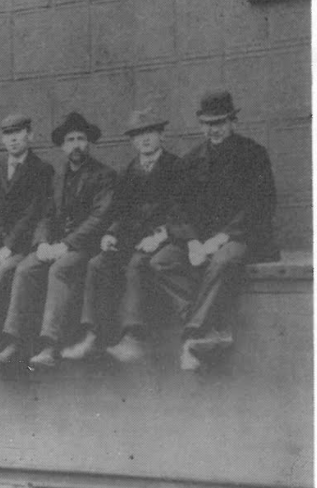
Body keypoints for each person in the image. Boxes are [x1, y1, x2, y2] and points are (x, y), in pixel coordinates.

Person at [150, 90, 278, 371]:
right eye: (208, 123)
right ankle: (214, 325)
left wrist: (220, 239)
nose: (214, 129)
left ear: (233, 121)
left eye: (220, 122)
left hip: (244, 237)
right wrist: (194, 242)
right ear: (200, 125)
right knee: (161, 261)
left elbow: (260, 205)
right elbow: (176, 209)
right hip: (202, 240)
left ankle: (194, 334)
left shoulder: (253, 154)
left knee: (222, 260)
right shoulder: (191, 160)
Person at [0, 112, 116, 367]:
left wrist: (66, 244)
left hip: (86, 247)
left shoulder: (104, 175)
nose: (76, 145)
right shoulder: (57, 177)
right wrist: (44, 243)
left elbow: (99, 219)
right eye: (70, 140)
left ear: (88, 143)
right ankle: (14, 340)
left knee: (60, 270)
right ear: (62, 146)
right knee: (26, 268)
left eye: (81, 138)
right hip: (57, 244)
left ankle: (50, 344)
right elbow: (46, 215)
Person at [72, 109, 180, 363]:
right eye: (138, 135)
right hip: (133, 238)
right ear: (132, 141)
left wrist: (161, 235)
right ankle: (92, 334)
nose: (144, 139)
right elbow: (119, 211)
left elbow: (181, 212)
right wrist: (111, 233)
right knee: (97, 264)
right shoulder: (130, 170)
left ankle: (134, 336)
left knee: (136, 265)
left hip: (164, 240)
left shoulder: (176, 167)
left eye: (150, 133)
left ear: (161, 135)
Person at [0, 113, 54, 366]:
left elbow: (34, 213)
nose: (13, 139)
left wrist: (8, 246)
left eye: (18, 133)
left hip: (22, 246)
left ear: (30, 136)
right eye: (8, 134)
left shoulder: (42, 170)